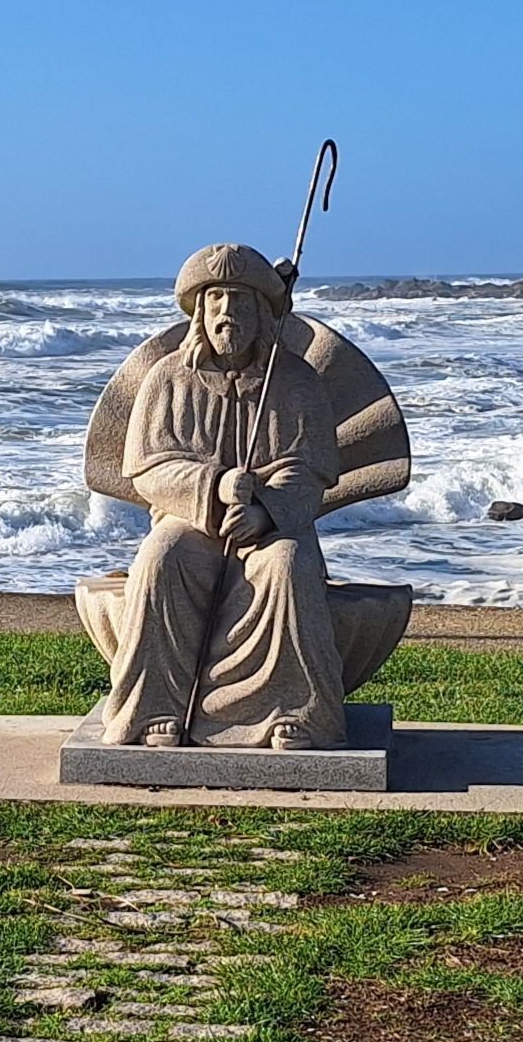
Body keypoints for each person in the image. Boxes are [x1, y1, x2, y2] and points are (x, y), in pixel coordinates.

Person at [101, 242, 347, 750]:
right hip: (188, 521)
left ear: (261, 313)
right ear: (199, 313)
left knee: (287, 565)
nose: (226, 315)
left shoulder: (295, 381)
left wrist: (265, 510)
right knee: (162, 558)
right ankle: (155, 708)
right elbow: (147, 467)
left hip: (270, 526)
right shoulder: (168, 377)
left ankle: (291, 711)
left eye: (238, 302)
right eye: (215, 303)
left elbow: (310, 469)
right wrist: (212, 487)